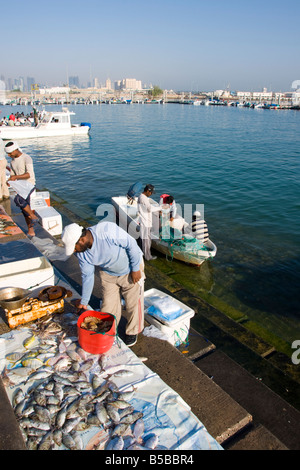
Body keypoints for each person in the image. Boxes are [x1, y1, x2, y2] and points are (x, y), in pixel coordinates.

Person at [61, 221, 145, 347]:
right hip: (108, 273)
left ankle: (132, 331)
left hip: (130, 269)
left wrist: (135, 269)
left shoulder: (106, 230)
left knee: (133, 304)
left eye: (74, 247)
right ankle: (111, 330)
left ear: (82, 240)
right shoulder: (81, 253)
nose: (74, 251)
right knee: (108, 306)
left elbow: (131, 244)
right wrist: (84, 301)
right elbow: (87, 276)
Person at [4, 141, 38, 236]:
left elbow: (29, 174)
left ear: (15, 150)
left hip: (29, 184)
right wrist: (10, 180)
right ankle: (31, 231)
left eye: (10, 153)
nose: (9, 155)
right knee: (24, 210)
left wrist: (16, 177)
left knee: (18, 200)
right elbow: (13, 175)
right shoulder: (12, 162)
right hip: (20, 186)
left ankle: (32, 215)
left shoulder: (26, 158)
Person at [137, 184, 160, 261]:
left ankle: (144, 253)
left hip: (145, 222)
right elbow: (149, 209)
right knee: (146, 241)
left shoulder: (142, 197)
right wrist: (160, 208)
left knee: (146, 239)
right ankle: (148, 257)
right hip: (145, 222)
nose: (151, 194)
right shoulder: (143, 198)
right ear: (147, 191)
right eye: (151, 193)